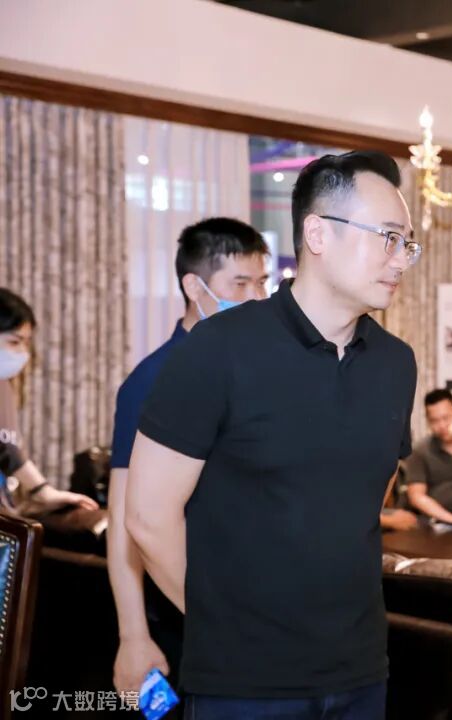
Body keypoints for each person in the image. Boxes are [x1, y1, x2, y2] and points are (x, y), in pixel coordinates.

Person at [126, 150, 419, 719]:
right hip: (244, 681)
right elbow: (147, 516)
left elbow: (370, 495)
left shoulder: (395, 362)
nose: (401, 258)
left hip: (361, 670)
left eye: (407, 243)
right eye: (388, 237)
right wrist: (224, 622)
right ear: (318, 233)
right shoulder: (218, 348)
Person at [107, 217, 271, 701]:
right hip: (186, 605)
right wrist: (133, 636)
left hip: (257, 597)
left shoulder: (260, 368)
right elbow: (125, 517)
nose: (257, 297)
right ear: (194, 287)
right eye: (240, 284)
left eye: (261, 282)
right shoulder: (152, 379)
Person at [0, 288, 100, 516]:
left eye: (27, 343)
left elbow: (8, 450)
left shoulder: (4, 386)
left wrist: (42, 492)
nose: (23, 352)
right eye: (14, 342)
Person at [404, 388, 452, 524]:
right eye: (434, 421)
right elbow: (416, 496)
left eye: (446, 418)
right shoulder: (420, 451)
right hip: (436, 522)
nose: (442, 425)